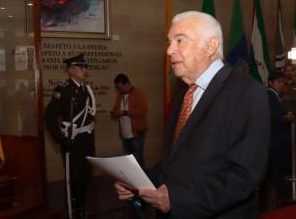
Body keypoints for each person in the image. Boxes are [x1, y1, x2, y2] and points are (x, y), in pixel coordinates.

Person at [114, 11, 270, 219]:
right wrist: (137, 183)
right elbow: (172, 164)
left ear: (210, 46)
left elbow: (244, 177)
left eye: (180, 41)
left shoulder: (247, 92)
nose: (169, 50)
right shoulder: (183, 97)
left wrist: (177, 199)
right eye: (169, 42)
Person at [44, 53, 96, 219]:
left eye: (84, 67)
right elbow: (49, 116)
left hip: (87, 140)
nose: (84, 70)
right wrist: (60, 139)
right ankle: (74, 209)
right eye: (80, 67)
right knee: (74, 178)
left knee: (85, 175)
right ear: (71, 70)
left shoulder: (86, 90)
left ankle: (81, 207)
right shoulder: (63, 91)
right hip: (72, 141)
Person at [267, 72, 295, 206]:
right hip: (275, 140)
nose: (281, 85)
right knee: (277, 171)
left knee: (277, 171)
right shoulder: (269, 95)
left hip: (278, 140)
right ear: (270, 83)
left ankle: (279, 198)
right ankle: (281, 200)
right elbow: (271, 118)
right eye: (278, 82)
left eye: (282, 82)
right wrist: (286, 118)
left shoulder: (276, 96)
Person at [111, 73, 148, 169]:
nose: (119, 90)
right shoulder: (120, 96)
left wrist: (125, 112)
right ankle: (132, 182)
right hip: (125, 134)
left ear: (127, 84)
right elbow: (115, 108)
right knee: (129, 161)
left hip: (137, 134)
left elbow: (143, 111)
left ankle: (141, 182)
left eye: (120, 87)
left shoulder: (139, 94)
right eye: (117, 88)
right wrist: (114, 113)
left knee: (137, 160)